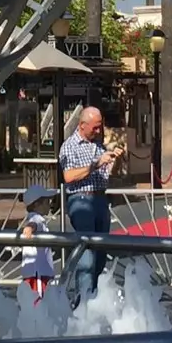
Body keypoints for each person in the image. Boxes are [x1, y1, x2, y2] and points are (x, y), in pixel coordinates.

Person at [58, 106, 120, 302]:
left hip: (100, 199)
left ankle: (94, 298)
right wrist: (95, 164)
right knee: (87, 253)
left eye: (100, 127)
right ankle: (82, 301)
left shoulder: (98, 146)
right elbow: (68, 176)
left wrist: (112, 160)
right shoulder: (70, 146)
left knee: (101, 251)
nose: (98, 131)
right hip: (81, 200)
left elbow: (105, 176)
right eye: (95, 127)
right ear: (82, 125)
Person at [18, 184, 57, 301]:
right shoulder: (36, 218)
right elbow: (34, 223)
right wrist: (30, 228)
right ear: (36, 205)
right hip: (38, 272)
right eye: (46, 202)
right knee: (39, 303)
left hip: (36, 272)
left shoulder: (36, 218)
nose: (49, 205)